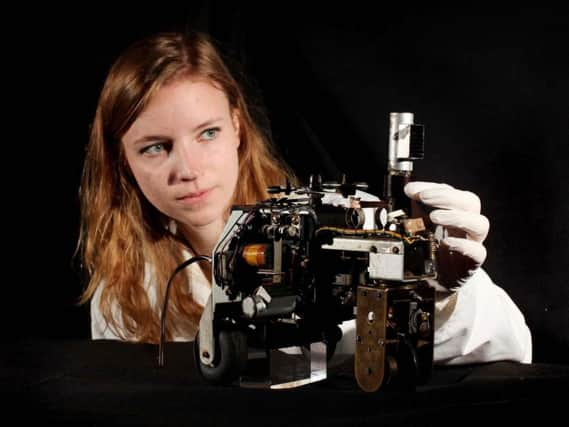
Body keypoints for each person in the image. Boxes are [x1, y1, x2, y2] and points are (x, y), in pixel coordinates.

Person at [77, 30, 532, 366]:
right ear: (123, 161)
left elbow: (512, 349)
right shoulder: (126, 289)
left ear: (237, 127)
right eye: (155, 146)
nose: (189, 170)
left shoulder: (346, 227)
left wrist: (439, 291)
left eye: (207, 133)